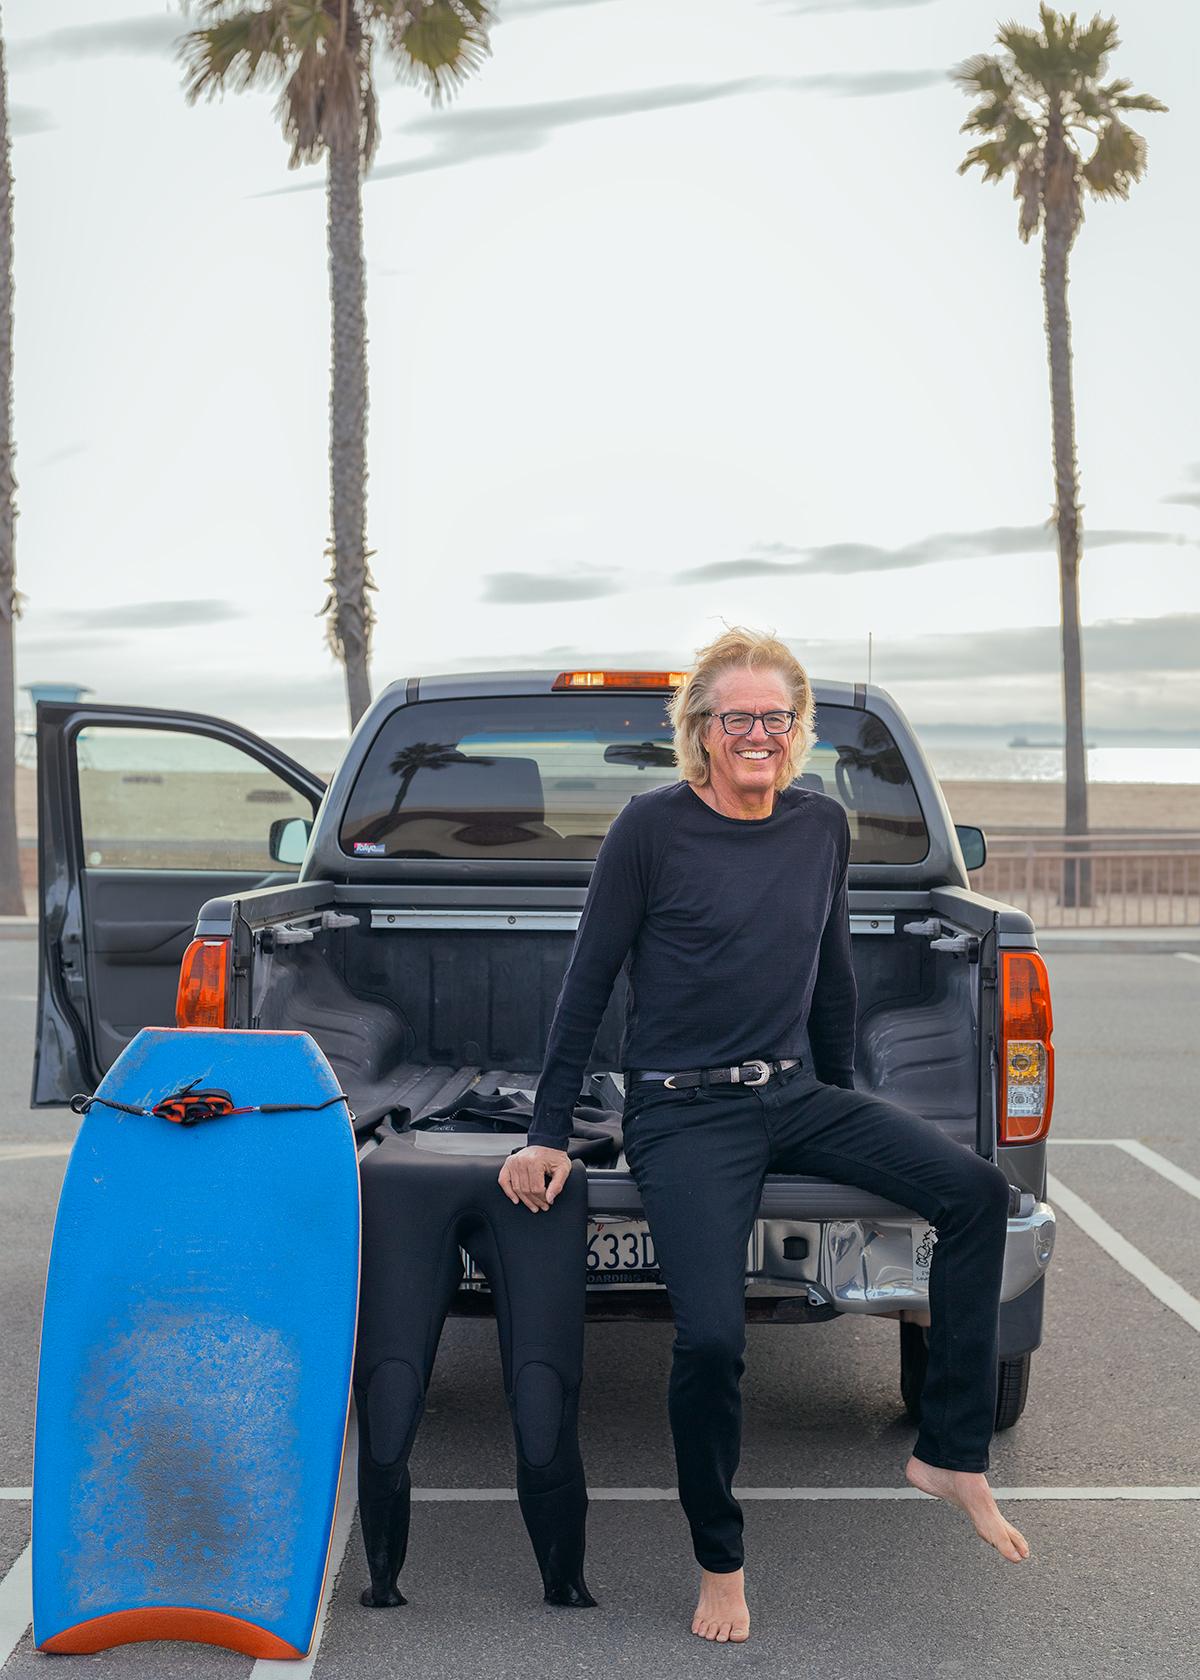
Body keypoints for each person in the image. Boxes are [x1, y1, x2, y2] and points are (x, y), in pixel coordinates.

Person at [498, 626, 1029, 1644]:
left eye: (773, 718)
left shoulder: (820, 826)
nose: (756, 733)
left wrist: (845, 1107)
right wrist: (547, 1132)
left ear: (797, 731)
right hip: (682, 1113)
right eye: (734, 717)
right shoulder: (648, 831)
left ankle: (950, 1454)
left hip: (792, 1094)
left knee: (975, 1197)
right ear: (698, 730)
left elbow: (833, 974)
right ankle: (721, 1559)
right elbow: (587, 987)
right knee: (710, 1337)